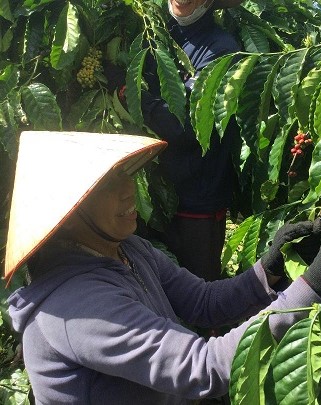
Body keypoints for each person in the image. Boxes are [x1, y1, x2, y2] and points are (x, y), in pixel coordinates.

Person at [5, 130, 321, 404]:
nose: (128, 190)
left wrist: (271, 267)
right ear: (67, 213)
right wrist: (318, 282)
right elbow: (202, 368)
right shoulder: (75, 306)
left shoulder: (128, 249)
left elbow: (205, 302)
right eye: (104, 186)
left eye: (124, 176)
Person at [114, 0, 245, 281]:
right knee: (153, 286)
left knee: (198, 291)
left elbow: (182, 126)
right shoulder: (157, 34)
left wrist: (131, 94)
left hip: (196, 200)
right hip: (152, 192)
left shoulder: (222, 50)